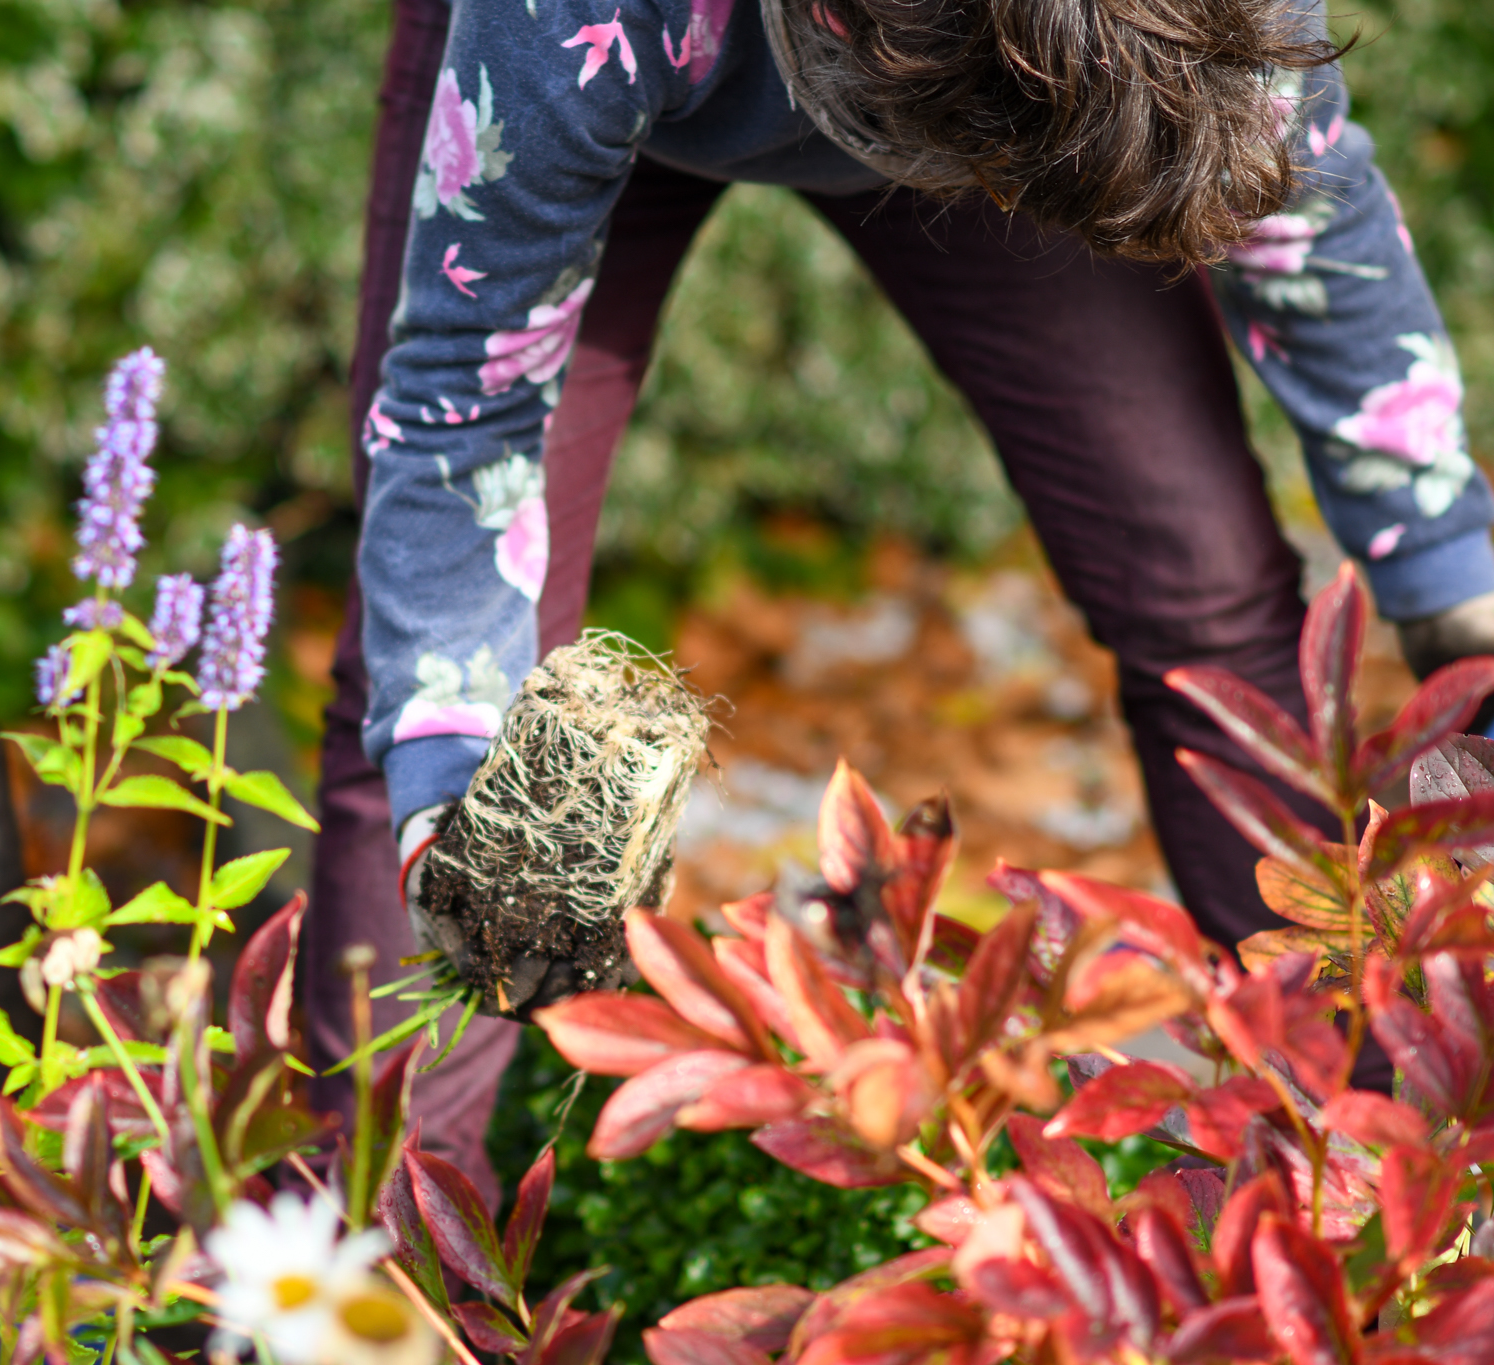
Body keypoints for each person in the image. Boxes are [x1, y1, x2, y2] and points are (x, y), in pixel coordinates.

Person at [302, 0, 1494, 1202]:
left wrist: (1446, 566)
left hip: (1034, 75)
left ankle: (1358, 1182)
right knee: (441, 709)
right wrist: (444, 774)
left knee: (1203, 590)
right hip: (627, 58)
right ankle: (372, 1248)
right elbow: (465, 400)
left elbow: (1298, 204)